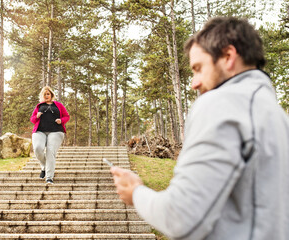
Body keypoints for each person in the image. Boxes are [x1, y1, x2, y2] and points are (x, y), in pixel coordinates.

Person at [111, 17, 289, 240]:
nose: (194, 83)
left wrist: (136, 192)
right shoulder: (277, 117)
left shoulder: (222, 103)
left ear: (228, 56)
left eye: (198, 68)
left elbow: (180, 217)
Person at [30, 86, 69, 184]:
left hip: (56, 131)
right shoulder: (39, 106)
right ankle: (44, 166)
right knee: (38, 148)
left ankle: (49, 177)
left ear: (51, 95)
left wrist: (61, 120)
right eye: (44, 94)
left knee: (50, 151)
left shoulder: (59, 105)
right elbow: (32, 120)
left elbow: (67, 116)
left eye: (48, 94)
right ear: (42, 96)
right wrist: (37, 116)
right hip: (40, 131)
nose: (46, 96)